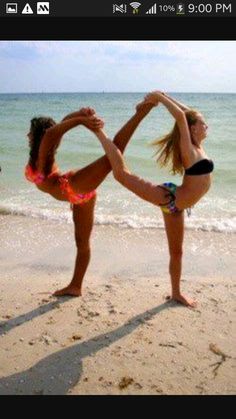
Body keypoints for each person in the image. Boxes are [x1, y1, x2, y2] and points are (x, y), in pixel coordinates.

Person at [94, 91, 214, 308]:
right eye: (203, 123)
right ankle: (99, 133)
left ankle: (176, 292)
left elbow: (186, 113)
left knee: (177, 253)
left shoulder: (198, 146)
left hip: (176, 208)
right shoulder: (188, 148)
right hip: (169, 198)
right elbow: (181, 116)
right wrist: (158, 96)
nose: (207, 126)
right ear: (193, 128)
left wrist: (163, 95)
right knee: (121, 175)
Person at [25, 104, 154, 297]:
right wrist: (80, 116)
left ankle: (141, 113)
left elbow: (56, 130)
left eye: (30, 132)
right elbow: (60, 128)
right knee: (82, 243)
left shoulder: (44, 151)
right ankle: (75, 286)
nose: (28, 136)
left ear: (38, 134)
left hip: (74, 186)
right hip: (78, 197)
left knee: (115, 151)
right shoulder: (42, 153)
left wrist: (82, 120)